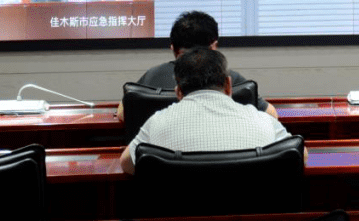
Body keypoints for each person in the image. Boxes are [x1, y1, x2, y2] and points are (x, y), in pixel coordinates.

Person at [119, 47, 291, 174]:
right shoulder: (263, 120)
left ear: (178, 92)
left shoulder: (156, 122)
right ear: (228, 85)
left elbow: (127, 164)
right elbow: (298, 155)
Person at [120, 10, 277, 120]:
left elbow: (122, 114)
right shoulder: (230, 79)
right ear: (214, 47)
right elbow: (271, 115)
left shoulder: (152, 76)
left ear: (173, 48)